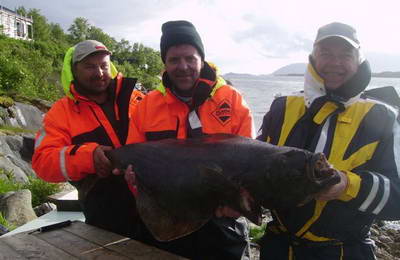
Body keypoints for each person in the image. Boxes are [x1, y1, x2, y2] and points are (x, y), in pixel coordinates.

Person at [257, 22, 400, 260]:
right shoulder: (281, 107)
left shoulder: (384, 117)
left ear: (359, 60)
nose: (335, 63)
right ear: (312, 58)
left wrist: (346, 185)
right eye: (326, 54)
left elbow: (397, 197)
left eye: (345, 55)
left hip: (346, 250)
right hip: (279, 248)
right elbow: (256, 169)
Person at [126, 20, 254, 260]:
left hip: (221, 221)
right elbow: (135, 160)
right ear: (165, 62)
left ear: (202, 59)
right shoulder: (147, 107)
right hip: (165, 219)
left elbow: (252, 164)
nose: (183, 66)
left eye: (190, 58)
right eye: (174, 59)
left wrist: (238, 205)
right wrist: (134, 181)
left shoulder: (233, 101)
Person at [32, 40, 141, 238]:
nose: (99, 73)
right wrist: (88, 157)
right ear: (74, 70)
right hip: (105, 217)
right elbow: (42, 162)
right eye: (90, 67)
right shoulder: (60, 113)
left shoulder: (136, 99)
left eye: (103, 65)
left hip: (155, 209)